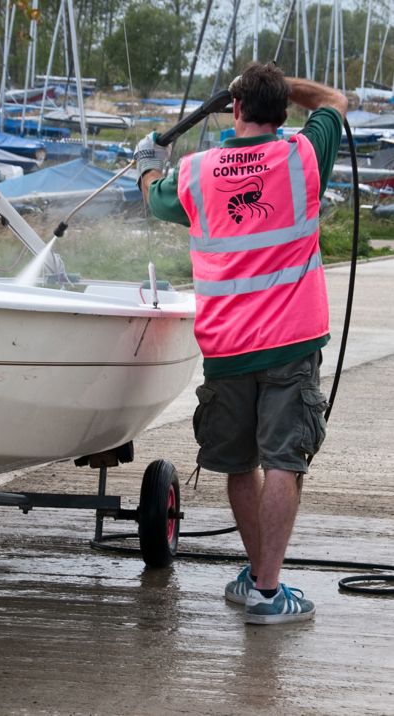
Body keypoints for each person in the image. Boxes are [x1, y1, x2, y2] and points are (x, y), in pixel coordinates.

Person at [135, 62, 348, 625]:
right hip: (290, 342)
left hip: (227, 348)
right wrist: (285, 90)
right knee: (284, 459)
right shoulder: (304, 157)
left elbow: (152, 197)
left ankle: (260, 580)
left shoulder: (196, 172)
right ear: (281, 112)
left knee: (239, 464)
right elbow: (334, 98)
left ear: (234, 110)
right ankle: (266, 589)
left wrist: (144, 166)